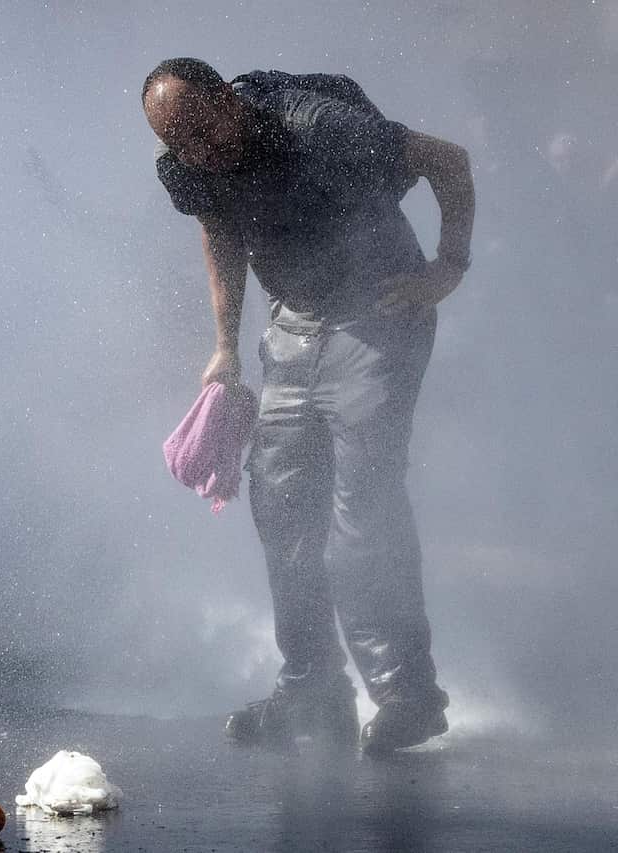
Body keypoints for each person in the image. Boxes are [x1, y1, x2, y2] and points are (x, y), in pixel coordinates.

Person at [141, 58, 475, 754]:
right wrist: (225, 345)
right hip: (293, 320)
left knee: (363, 504)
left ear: (227, 98)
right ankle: (312, 691)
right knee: (282, 504)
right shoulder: (187, 165)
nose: (198, 152)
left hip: (380, 311)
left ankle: (410, 696)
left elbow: (448, 160)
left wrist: (447, 267)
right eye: (180, 143)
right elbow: (220, 231)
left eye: (203, 129)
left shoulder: (318, 126)